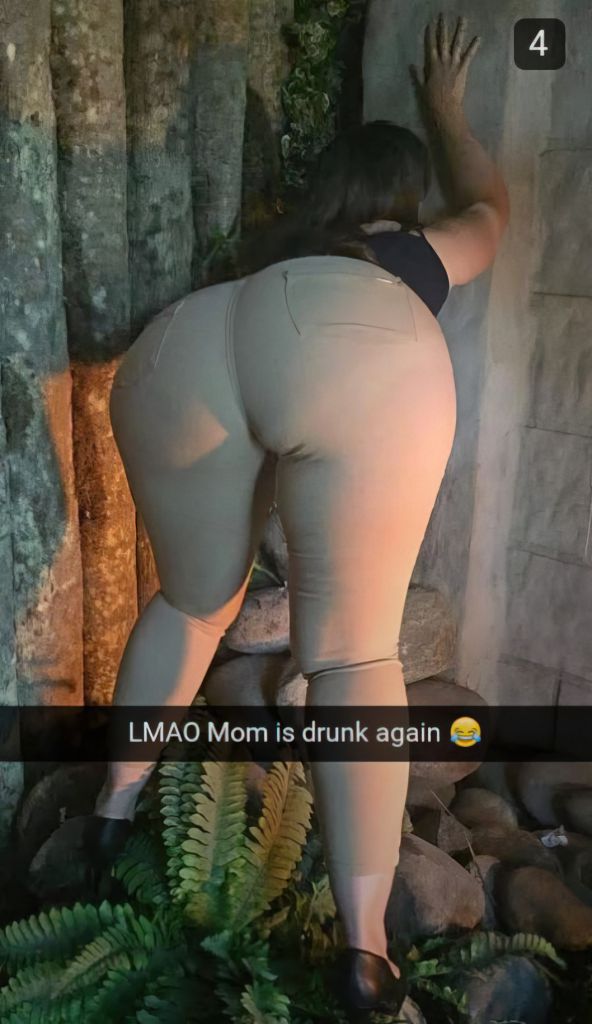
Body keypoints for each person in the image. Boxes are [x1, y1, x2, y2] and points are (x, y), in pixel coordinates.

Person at [83, 13, 508, 1018]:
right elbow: (492, 211)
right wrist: (445, 109)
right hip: (351, 345)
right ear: (396, 204)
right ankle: (365, 949)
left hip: (179, 350)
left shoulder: (268, 254)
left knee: (192, 605)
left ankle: (111, 812)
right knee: (353, 655)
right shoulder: (406, 256)